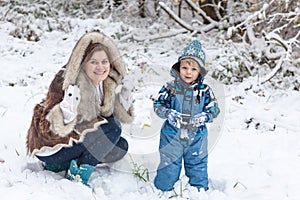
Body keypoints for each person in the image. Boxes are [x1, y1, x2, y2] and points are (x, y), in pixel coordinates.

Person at [26, 31, 134, 186]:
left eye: (105, 62)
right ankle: (77, 176)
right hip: (52, 146)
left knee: (120, 146)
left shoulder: (106, 83)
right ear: (83, 61)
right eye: (94, 62)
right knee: (113, 128)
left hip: (75, 141)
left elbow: (108, 117)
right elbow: (47, 128)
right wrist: (66, 111)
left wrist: (125, 95)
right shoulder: (65, 80)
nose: (100, 67)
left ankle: (58, 166)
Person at [153, 40, 220, 192]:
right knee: (169, 163)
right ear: (178, 68)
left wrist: (205, 116)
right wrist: (169, 113)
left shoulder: (205, 90)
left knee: (197, 163)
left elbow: (214, 109)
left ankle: (199, 191)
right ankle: (163, 189)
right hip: (172, 135)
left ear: (200, 72)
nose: (188, 72)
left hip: (197, 137)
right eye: (184, 67)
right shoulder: (170, 87)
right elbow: (158, 104)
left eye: (193, 69)